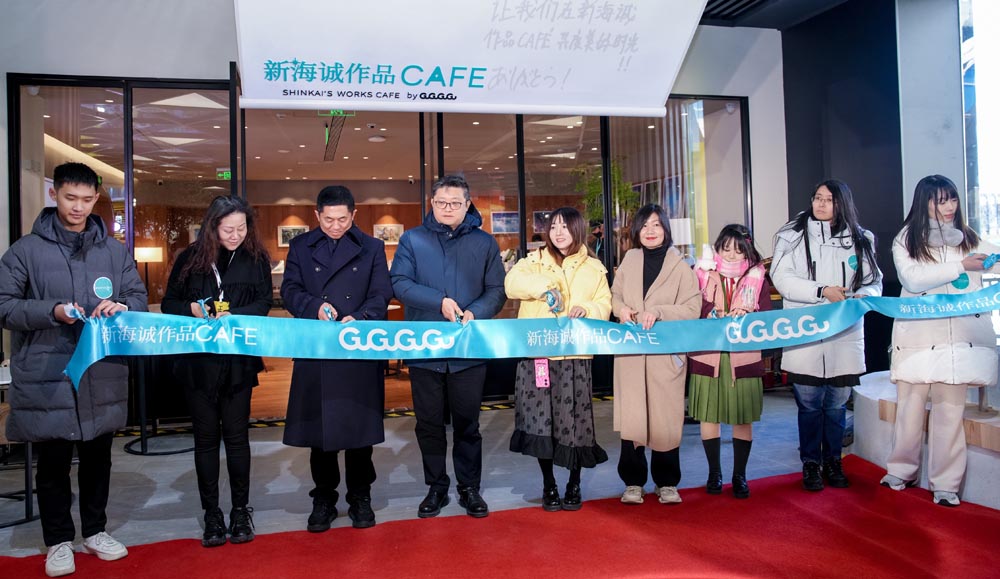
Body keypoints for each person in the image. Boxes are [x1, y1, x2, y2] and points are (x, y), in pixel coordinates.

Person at [0, 162, 147, 577]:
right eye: (70, 198)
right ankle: (58, 540)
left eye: (86, 199)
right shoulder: (26, 251)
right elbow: (4, 306)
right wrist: (53, 311)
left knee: (99, 458)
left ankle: (95, 531)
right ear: (55, 195)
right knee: (53, 463)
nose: (78, 207)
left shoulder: (113, 251)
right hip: (50, 372)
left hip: (101, 371)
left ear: (96, 199)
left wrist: (122, 306)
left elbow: (137, 296)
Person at [390, 174, 506, 519]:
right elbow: (399, 283)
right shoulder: (412, 240)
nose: (448, 208)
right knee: (428, 424)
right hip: (424, 349)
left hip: (468, 349)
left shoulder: (485, 243)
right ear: (432, 203)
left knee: (468, 424)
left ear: (467, 205)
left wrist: (476, 311)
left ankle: (469, 488)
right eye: (441, 202)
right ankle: (436, 487)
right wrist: (438, 301)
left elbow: (497, 290)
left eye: (455, 203)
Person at [161, 195, 272, 547]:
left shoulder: (256, 259)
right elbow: (168, 303)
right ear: (212, 227)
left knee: (237, 439)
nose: (236, 235)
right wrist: (192, 309)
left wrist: (235, 315)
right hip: (199, 364)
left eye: (241, 228)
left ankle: (240, 511)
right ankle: (212, 513)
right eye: (228, 229)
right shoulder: (190, 259)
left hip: (238, 361)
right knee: (206, 440)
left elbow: (264, 302)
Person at [882, 175, 998, 507]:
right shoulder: (907, 238)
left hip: (959, 341)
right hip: (918, 338)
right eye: (940, 200)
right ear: (924, 202)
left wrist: (989, 262)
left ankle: (946, 484)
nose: (949, 207)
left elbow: (994, 258)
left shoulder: (968, 237)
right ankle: (901, 471)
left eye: (952, 199)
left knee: (950, 412)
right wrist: (960, 265)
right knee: (910, 409)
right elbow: (912, 279)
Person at [281, 186, 392, 530]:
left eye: (342, 219)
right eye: (328, 219)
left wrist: (360, 317)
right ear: (317, 215)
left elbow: (382, 293)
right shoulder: (301, 246)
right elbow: (289, 290)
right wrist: (314, 306)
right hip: (317, 348)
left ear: (353, 215)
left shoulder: (372, 247)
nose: (335, 226)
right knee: (321, 433)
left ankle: (360, 496)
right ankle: (324, 498)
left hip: (358, 346)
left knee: (359, 430)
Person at [771, 179, 882, 492]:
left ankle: (834, 461)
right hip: (805, 332)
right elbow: (782, 279)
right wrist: (821, 291)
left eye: (829, 199)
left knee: (836, 405)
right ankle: (810, 463)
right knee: (808, 405)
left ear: (841, 203)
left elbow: (874, 281)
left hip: (844, 333)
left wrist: (864, 295)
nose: (821, 204)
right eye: (817, 198)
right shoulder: (792, 235)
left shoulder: (861, 238)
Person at [505, 207, 611, 512]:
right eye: (554, 227)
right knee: (541, 421)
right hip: (538, 355)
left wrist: (587, 309)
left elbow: (605, 304)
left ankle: (574, 483)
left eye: (565, 226)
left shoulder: (594, 267)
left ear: (578, 229)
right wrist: (545, 288)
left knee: (574, 422)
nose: (558, 232)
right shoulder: (533, 261)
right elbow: (511, 285)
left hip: (575, 356)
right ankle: (548, 484)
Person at [610, 204, 701, 505]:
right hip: (632, 354)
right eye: (645, 225)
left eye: (656, 225)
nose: (650, 231)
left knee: (665, 419)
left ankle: (667, 482)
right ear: (637, 230)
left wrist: (660, 311)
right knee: (633, 418)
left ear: (666, 229)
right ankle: (633, 482)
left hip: (665, 355)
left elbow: (693, 308)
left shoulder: (680, 265)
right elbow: (614, 295)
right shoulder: (629, 259)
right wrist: (621, 309)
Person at [688, 224, 771, 499]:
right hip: (708, 355)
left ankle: (739, 475)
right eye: (726, 249)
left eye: (738, 250)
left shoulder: (758, 278)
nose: (732, 255)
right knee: (708, 415)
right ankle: (714, 473)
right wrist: (711, 311)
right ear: (717, 249)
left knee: (742, 417)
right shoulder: (701, 273)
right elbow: (690, 306)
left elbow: (766, 319)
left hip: (743, 357)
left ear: (748, 251)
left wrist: (747, 316)